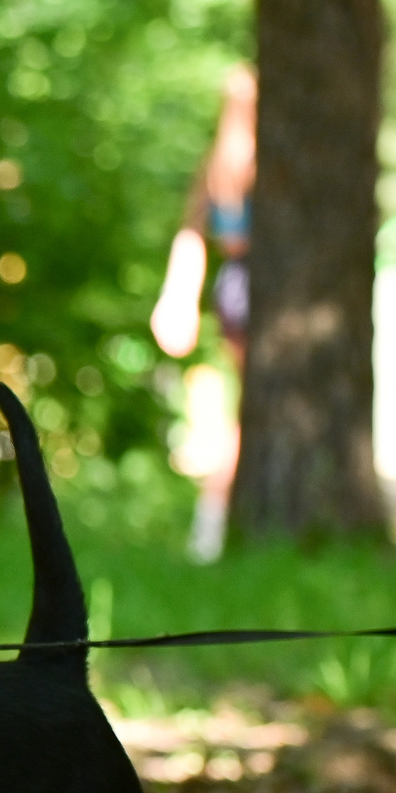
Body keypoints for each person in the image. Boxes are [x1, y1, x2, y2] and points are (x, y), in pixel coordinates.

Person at [148, 64, 257, 564]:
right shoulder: (252, 161)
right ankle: (211, 522)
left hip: (234, 286)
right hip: (253, 285)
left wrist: (179, 296)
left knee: (249, 410)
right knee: (251, 413)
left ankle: (213, 524)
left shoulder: (219, 163)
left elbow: (194, 229)